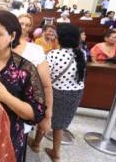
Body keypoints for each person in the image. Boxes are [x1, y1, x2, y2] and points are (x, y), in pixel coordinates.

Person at [0, 10, 45, 162]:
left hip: (6, 137)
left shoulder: (24, 69)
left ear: (12, 36)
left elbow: (35, 113)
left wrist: (6, 97)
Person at [30, 24, 86, 162]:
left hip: (56, 93)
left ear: (59, 38)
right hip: (75, 94)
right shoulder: (82, 54)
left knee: (45, 119)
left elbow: (44, 78)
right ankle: (56, 154)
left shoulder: (54, 54)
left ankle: (36, 144)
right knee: (60, 124)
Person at [14, 14, 53, 140]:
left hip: (23, 104)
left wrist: (47, 116)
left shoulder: (35, 50)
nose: (24, 27)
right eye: (21, 23)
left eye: (27, 25)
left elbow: (46, 86)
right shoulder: (1, 45)